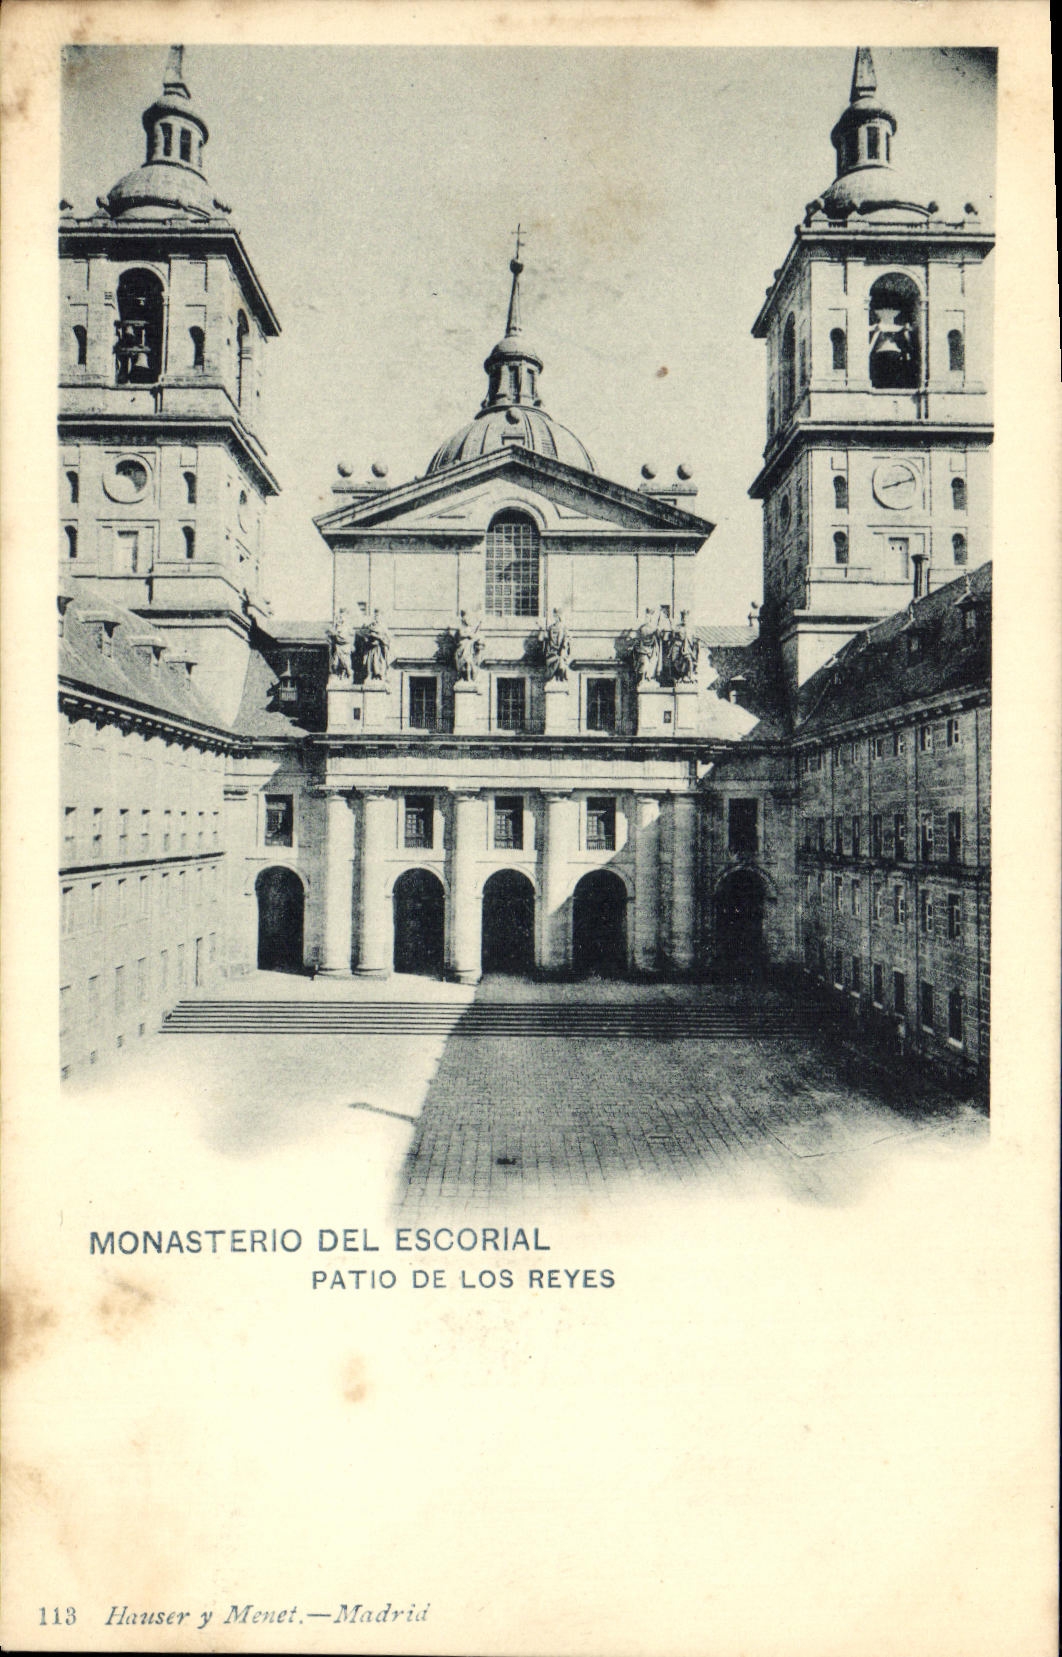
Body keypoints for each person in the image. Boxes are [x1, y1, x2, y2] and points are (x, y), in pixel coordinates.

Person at [453, 610, 484, 681]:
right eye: (466, 618)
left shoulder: (470, 628)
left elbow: (474, 636)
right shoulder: (461, 628)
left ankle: (469, 678)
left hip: (469, 649)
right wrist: (469, 635)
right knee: (464, 663)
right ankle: (463, 677)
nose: (467, 620)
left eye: (468, 618)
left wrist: (474, 636)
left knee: (469, 663)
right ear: (463, 619)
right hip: (462, 648)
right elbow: (461, 634)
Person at [634, 606, 662, 684]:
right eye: (647, 616)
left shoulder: (653, 627)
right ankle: (643, 678)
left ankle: (649, 677)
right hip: (643, 650)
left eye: (649, 616)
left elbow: (658, 636)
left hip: (652, 649)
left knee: (652, 663)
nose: (648, 618)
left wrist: (658, 631)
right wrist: (655, 631)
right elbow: (645, 634)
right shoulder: (642, 628)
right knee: (645, 664)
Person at [543, 608, 572, 682]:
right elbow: (545, 639)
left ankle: (561, 677)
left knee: (561, 666)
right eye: (555, 615)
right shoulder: (550, 628)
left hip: (560, 653)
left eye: (557, 615)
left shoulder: (564, 628)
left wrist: (564, 648)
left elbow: (566, 640)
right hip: (551, 653)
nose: (556, 617)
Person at [363, 608, 391, 681]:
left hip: (379, 649)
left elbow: (387, 639)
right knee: (370, 663)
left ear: (381, 617)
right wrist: (368, 639)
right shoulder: (370, 626)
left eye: (378, 615)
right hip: (371, 648)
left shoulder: (383, 628)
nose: (376, 617)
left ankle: (379, 675)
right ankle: (370, 675)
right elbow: (365, 635)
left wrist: (379, 638)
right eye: (375, 615)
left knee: (378, 662)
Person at [327, 608, 354, 680]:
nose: (341, 618)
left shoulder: (348, 627)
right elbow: (331, 634)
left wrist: (337, 636)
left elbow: (348, 638)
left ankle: (347, 674)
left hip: (345, 648)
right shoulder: (337, 626)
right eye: (340, 616)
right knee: (335, 664)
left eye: (343, 616)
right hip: (337, 648)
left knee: (345, 663)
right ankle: (339, 675)